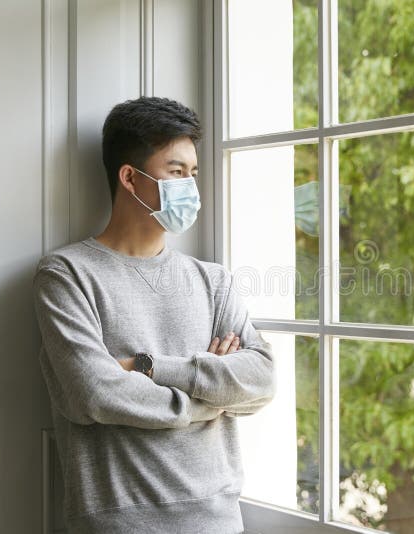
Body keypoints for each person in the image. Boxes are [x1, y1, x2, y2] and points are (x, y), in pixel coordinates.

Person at [32, 96, 276, 533]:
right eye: (176, 172)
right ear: (130, 177)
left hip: (218, 523)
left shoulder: (213, 281)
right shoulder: (66, 274)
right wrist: (211, 398)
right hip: (119, 525)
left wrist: (148, 367)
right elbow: (95, 393)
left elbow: (261, 379)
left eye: (193, 173)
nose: (191, 188)